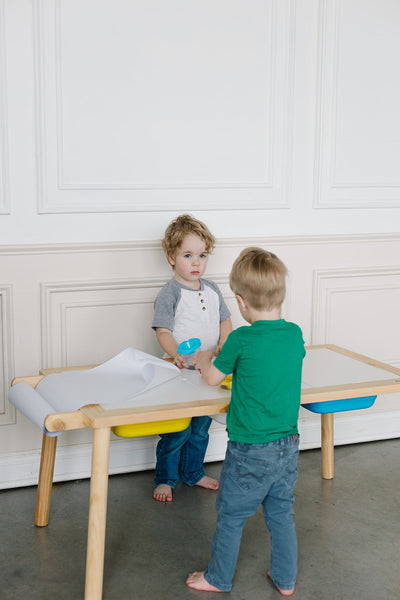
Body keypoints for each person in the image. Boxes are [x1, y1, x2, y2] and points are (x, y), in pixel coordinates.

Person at [186, 247, 306, 596]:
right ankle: (285, 580)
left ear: (240, 302)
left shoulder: (240, 338)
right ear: (280, 294)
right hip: (288, 445)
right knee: (281, 514)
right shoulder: (294, 333)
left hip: (250, 448)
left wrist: (204, 357)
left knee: (232, 516)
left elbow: (211, 378)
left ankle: (217, 578)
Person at [152, 214, 232, 502]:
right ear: (172, 257)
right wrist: (175, 354)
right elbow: (163, 331)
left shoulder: (212, 290)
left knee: (200, 429)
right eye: (188, 255)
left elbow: (225, 320)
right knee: (177, 431)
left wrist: (224, 343)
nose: (196, 262)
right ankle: (166, 478)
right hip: (179, 373)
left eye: (202, 255)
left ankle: (193, 472)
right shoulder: (170, 293)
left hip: (207, 372)